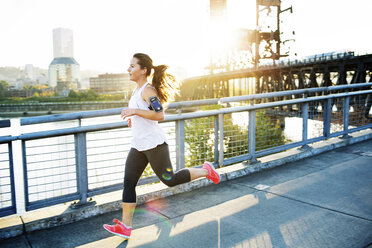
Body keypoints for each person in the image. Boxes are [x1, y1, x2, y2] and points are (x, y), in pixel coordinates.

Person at [103, 53, 220, 239]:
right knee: (128, 183)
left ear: (144, 70)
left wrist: (135, 111)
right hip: (139, 145)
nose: (128, 69)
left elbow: (159, 115)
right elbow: (146, 114)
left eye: (132, 66)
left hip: (154, 145)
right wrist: (135, 118)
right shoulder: (136, 90)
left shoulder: (148, 90)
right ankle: (125, 227)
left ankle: (206, 170)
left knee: (170, 180)